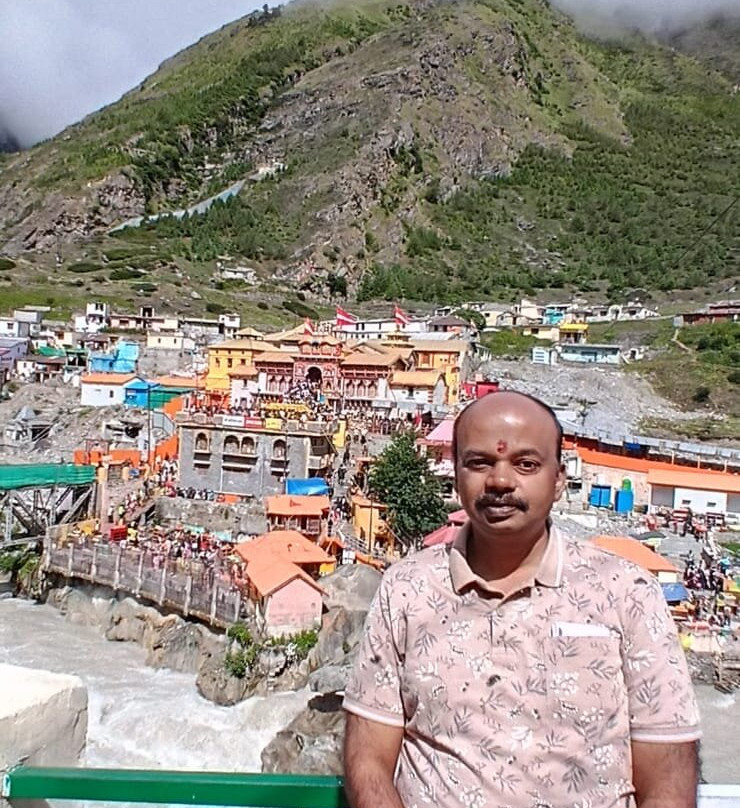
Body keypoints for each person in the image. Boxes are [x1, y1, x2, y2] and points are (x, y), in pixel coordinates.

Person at [344, 391, 700, 808]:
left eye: (526, 464)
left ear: (560, 479)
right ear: (456, 474)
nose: (499, 481)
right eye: (479, 463)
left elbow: (669, 770)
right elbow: (368, 756)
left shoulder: (626, 593)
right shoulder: (407, 588)